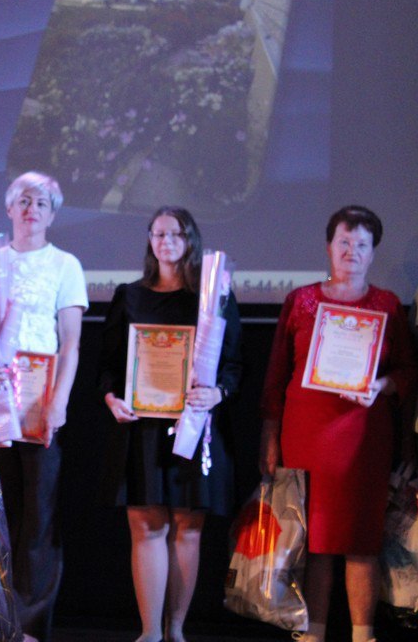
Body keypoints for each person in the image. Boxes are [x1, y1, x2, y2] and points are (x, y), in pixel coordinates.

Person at [260, 206, 418, 642]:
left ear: (373, 253)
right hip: (306, 436)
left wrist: (381, 385)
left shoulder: (387, 305)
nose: (352, 251)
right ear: (329, 247)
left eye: (362, 244)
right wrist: (269, 435)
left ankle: (363, 636)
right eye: (344, 242)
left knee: (361, 541)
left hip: (363, 439)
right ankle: (313, 634)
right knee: (315, 543)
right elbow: (275, 376)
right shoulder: (301, 301)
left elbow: (408, 371)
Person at [99, 206, 242, 642]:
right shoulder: (129, 295)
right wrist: (111, 398)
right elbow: (108, 366)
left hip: (193, 426)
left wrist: (218, 393)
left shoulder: (213, 298)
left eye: (175, 234)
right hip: (141, 428)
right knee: (147, 527)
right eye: (158, 234)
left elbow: (234, 365)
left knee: (188, 529)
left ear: (190, 240)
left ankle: (176, 630)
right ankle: (150, 633)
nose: (166, 242)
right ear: (150, 240)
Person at [0, 171, 86, 642]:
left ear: (52, 214)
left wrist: (60, 403)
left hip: (41, 404)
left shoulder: (65, 265)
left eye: (41, 203)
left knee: (38, 516)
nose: (31, 209)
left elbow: (71, 342)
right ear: (9, 208)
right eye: (23, 201)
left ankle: (30, 623)